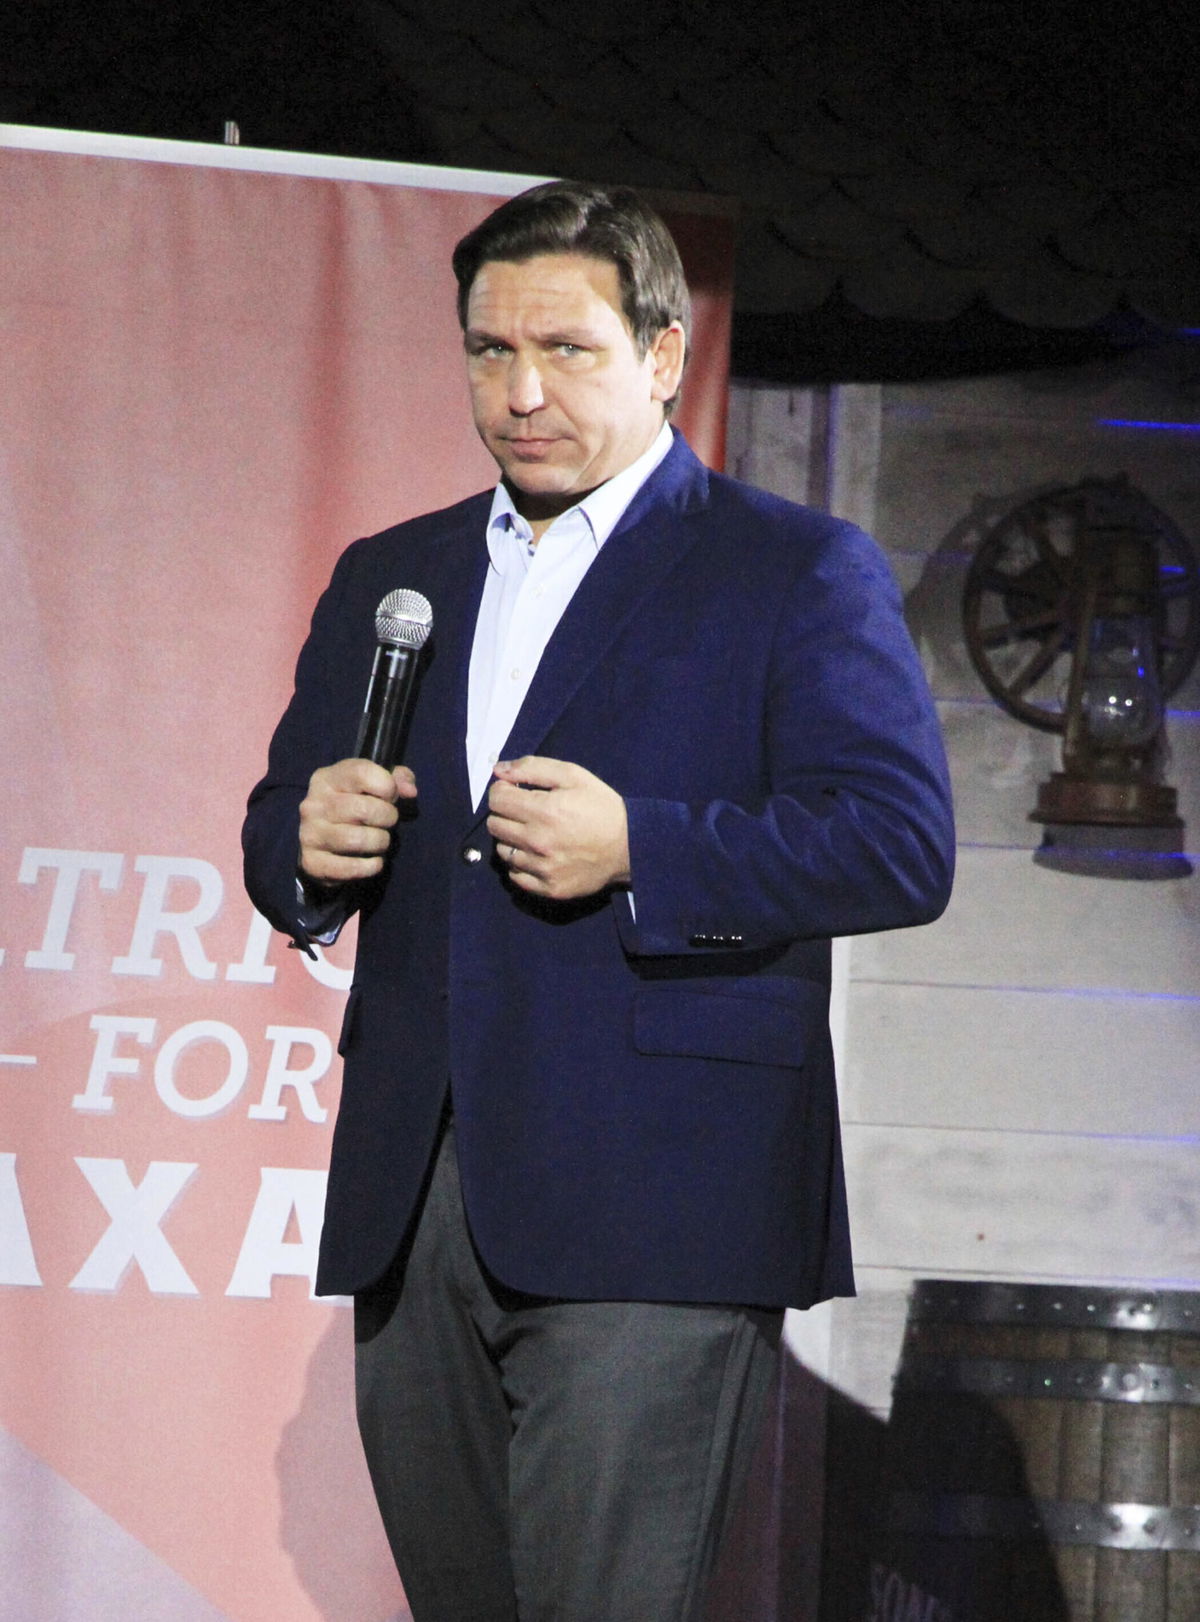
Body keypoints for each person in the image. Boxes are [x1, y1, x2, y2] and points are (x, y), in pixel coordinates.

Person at [242, 180, 954, 1622]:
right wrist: (310, 850)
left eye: (565, 350)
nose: (522, 393)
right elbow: (279, 829)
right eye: (490, 352)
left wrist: (646, 847)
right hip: (417, 1191)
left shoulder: (791, 567)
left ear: (663, 354)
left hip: (661, 1192)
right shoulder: (395, 574)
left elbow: (896, 844)